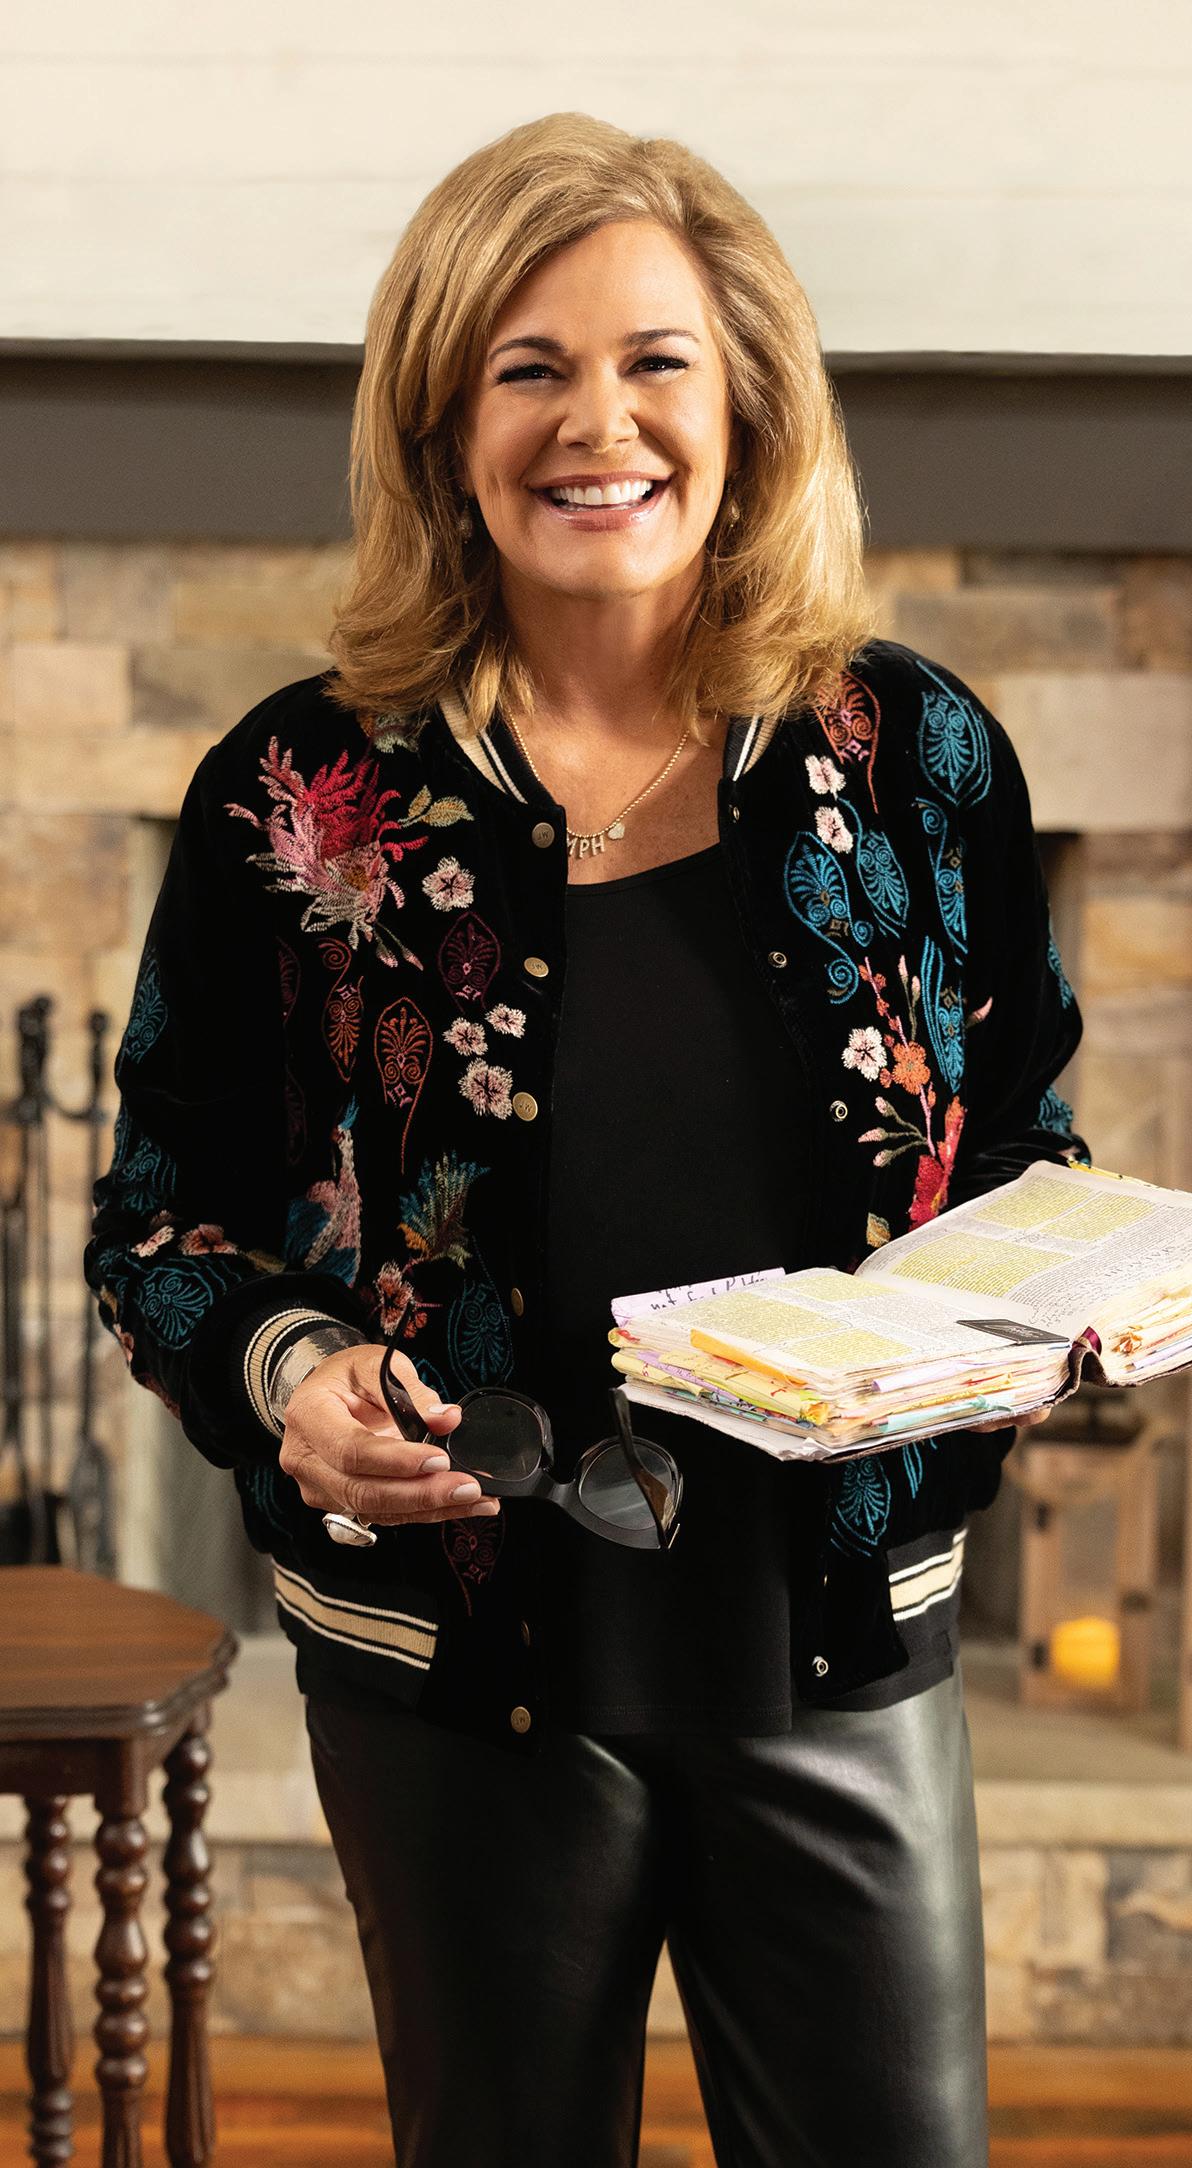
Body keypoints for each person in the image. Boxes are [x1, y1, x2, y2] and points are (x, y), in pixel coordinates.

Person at [85, 112, 1091, 2168]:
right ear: (445, 426)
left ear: (745, 404)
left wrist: (1066, 1310)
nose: (595, 423)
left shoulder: (917, 760)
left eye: (653, 362)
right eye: (525, 368)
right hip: (454, 1666)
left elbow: (1023, 1156)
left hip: (835, 1638)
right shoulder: (298, 794)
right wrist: (290, 1376)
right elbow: (162, 1223)